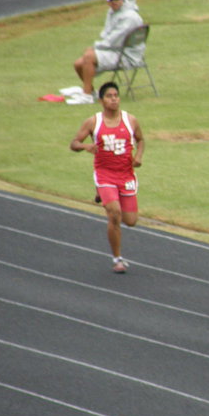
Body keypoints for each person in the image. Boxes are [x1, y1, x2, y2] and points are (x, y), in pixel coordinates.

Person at [70, 81, 145, 273]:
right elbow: (74, 143)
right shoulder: (93, 122)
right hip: (105, 174)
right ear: (101, 100)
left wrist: (138, 157)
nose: (114, 99)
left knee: (131, 221)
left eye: (116, 95)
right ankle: (117, 259)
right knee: (114, 214)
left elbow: (140, 140)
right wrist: (86, 146)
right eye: (109, 96)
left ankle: (102, 195)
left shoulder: (130, 120)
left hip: (126, 175)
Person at [69, 0, 144, 104]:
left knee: (88, 56)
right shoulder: (112, 12)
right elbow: (106, 34)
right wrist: (97, 47)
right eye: (111, 0)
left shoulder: (129, 17)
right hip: (116, 50)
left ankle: (86, 96)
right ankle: (91, 92)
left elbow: (114, 39)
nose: (114, 2)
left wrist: (95, 47)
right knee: (78, 64)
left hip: (126, 56)